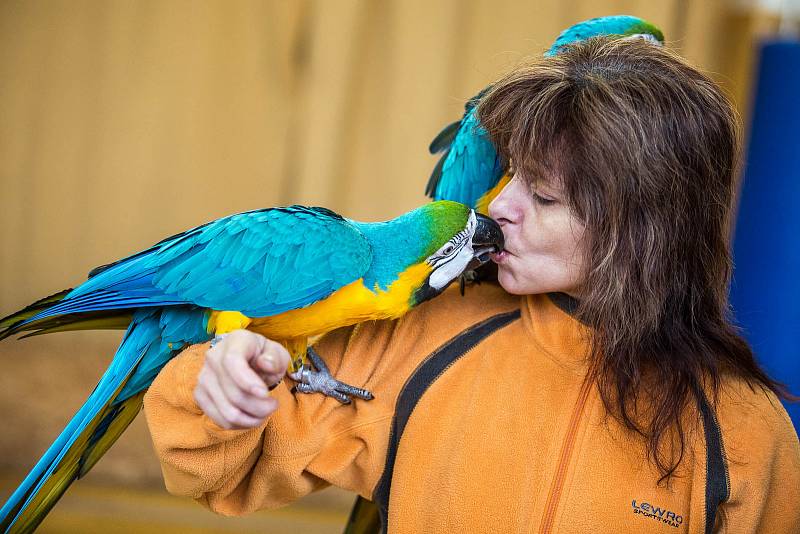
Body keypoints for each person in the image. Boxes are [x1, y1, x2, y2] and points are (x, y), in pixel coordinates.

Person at [143, 37, 800, 533]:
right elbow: (222, 472)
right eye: (511, 174)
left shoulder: (745, 434)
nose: (499, 205)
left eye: (541, 195)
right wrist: (219, 384)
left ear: (643, 228)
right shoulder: (415, 338)